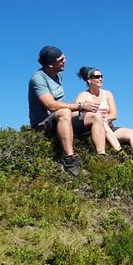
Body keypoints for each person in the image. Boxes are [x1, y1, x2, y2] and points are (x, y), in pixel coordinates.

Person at [28, 45, 107, 176]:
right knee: (65, 112)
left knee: (95, 116)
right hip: (42, 123)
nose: (65, 61)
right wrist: (81, 106)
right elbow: (51, 105)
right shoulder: (38, 78)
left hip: (59, 119)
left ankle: (101, 157)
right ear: (51, 64)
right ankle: (69, 160)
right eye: (61, 59)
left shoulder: (58, 76)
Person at [75, 66, 133, 167]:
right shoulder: (83, 95)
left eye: (102, 76)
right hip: (93, 131)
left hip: (109, 128)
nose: (101, 79)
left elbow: (113, 114)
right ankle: (121, 154)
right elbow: (75, 113)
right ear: (89, 80)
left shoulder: (107, 94)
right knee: (100, 121)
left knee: (132, 132)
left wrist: (106, 121)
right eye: (97, 77)